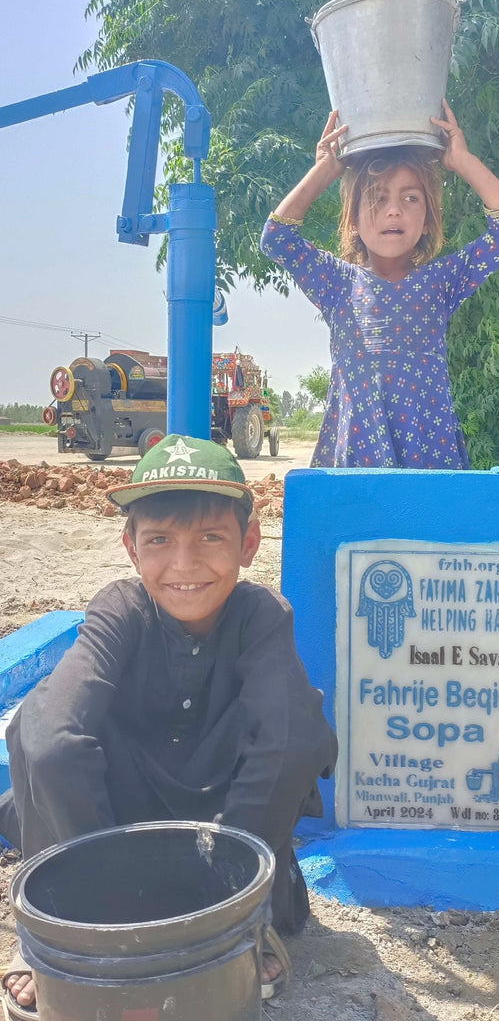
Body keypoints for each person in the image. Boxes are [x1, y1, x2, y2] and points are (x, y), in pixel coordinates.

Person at [0, 435, 338, 1018]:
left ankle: (245, 924)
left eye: (211, 537)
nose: (184, 565)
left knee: (295, 721)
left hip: (220, 830)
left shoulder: (259, 617)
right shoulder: (119, 612)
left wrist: (231, 901)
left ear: (249, 543)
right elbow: (52, 742)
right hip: (118, 826)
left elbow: (289, 746)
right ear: (131, 548)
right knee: (39, 727)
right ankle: (58, 932)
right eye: (160, 540)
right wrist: (99, 900)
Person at [260, 101, 499, 468]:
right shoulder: (337, 283)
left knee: (426, 528)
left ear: (429, 220)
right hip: (358, 460)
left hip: (429, 458)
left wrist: (461, 160)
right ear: (353, 218)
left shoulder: (441, 282)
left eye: (410, 198)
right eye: (377, 197)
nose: (393, 210)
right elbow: (277, 238)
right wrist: (325, 169)